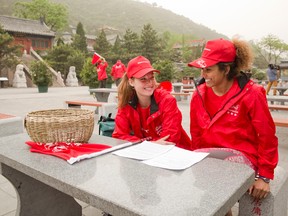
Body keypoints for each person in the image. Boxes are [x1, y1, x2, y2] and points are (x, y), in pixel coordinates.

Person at [188, 38, 278, 215]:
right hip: (212, 157)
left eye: (209, 69)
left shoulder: (252, 94)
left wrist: (264, 176)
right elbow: (196, 134)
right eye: (201, 69)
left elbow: (267, 136)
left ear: (226, 69)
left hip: (242, 157)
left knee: (220, 181)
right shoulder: (199, 94)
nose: (203, 74)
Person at [112, 55, 191, 150]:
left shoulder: (167, 100)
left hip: (179, 153)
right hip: (147, 155)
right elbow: (119, 137)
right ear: (131, 82)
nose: (149, 83)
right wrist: (151, 144)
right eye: (143, 79)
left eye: (151, 77)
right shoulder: (126, 103)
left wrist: (142, 144)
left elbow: (169, 140)